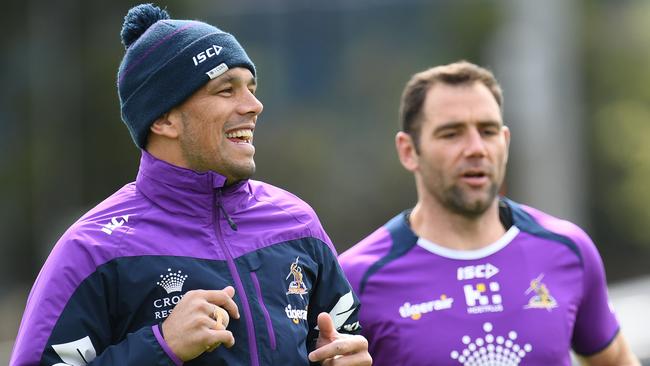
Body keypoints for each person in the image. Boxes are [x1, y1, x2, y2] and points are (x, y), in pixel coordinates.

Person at [10, 4, 371, 366]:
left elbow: (344, 339)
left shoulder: (297, 223)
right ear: (164, 119)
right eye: (226, 90)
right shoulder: (92, 249)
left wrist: (349, 357)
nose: (254, 105)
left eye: (251, 88)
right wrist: (161, 346)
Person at [338, 61, 639, 365]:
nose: (476, 148)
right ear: (408, 151)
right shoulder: (355, 276)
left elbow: (616, 360)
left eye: (488, 131)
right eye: (451, 134)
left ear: (505, 142)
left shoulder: (568, 249)